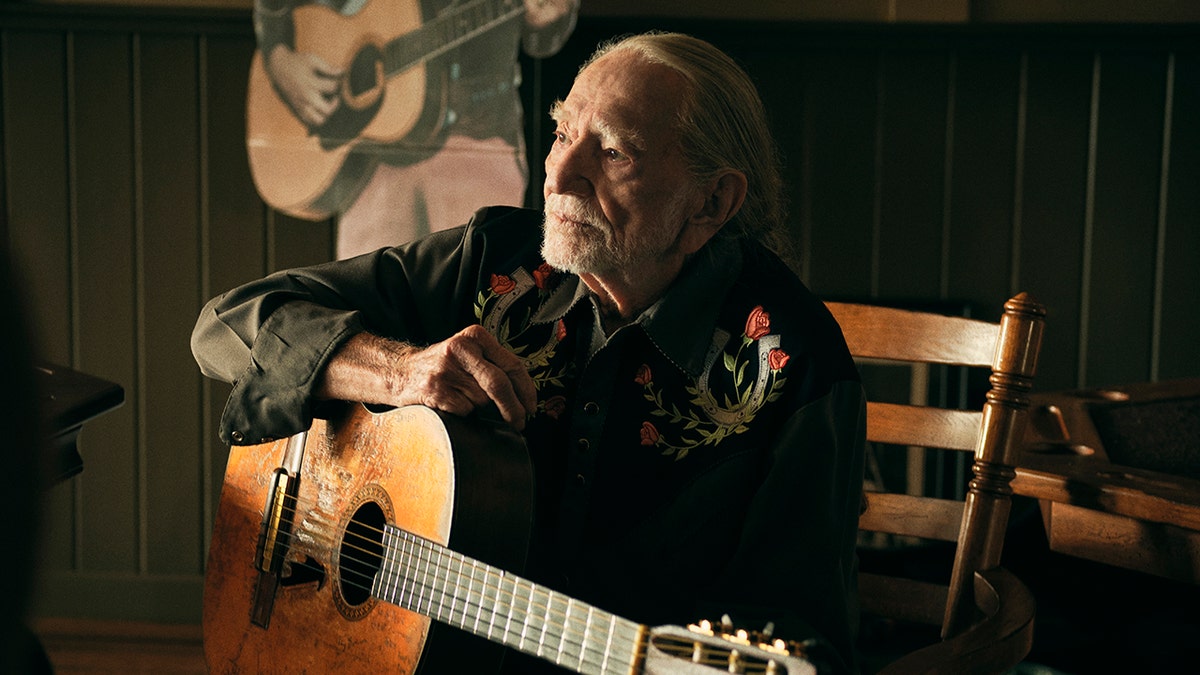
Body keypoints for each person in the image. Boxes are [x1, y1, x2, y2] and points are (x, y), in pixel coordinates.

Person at [194, 31, 866, 674]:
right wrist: (403, 371)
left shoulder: (797, 370)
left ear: (712, 201)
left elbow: (802, 633)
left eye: (613, 153)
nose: (560, 175)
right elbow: (227, 325)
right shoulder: (491, 259)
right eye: (563, 134)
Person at [252, 0, 580, 258]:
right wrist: (279, 56)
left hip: (478, 138)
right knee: (369, 308)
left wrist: (550, 16)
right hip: (372, 158)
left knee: (475, 308)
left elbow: (543, 36)